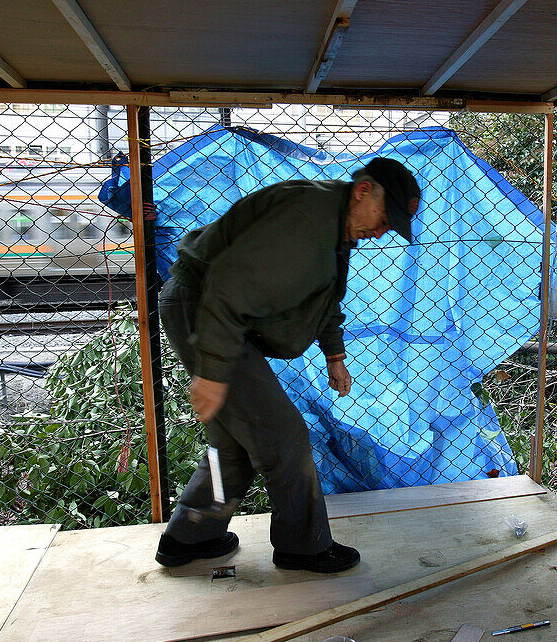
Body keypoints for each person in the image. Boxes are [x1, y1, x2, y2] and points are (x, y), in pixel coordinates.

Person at [154, 157, 421, 573]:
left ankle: (190, 535)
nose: (381, 232)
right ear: (363, 190)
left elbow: (328, 297)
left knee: (232, 444)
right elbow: (227, 285)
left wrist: (334, 355)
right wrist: (212, 370)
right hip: (209, 314)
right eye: (385, 219)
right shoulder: (306, 219)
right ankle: (303, 547)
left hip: (218, 316)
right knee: (284, 435)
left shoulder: (336, 227)